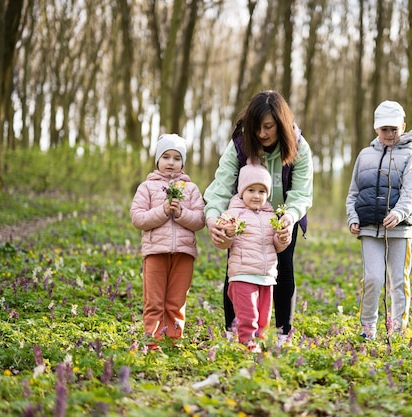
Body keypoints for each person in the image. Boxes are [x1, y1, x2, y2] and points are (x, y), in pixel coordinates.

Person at [204, 90, 313, 346]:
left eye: (268, 127)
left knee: (283, 267)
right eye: (257, 127)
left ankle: (283, 333)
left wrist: (289, 217)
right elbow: (221, 186)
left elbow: (301, 192)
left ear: (281, 125)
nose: (262, 134)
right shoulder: (241, 145)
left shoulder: (299, 147)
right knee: (238, 266)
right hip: (244, 214)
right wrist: (213, 218)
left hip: (280, 217)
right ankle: (233, 330)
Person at [345, 100, 412, 340]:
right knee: (373, 278)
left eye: (394, 129)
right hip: (368, 229)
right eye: (384, 129)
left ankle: (398, 331)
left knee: (398, 280)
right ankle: (368, 329)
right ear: (376, 128)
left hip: (400, 229)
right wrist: (353, 217)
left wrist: (398, 213)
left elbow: (411, 193)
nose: (389, 134)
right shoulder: (364, 155)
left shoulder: (410, 155)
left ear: (403, 126)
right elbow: (353, 193)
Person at [130, 133, 206, 352]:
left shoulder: (191, 189)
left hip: (184, 254)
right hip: (155, 252)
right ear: (157, 161)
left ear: (182, 163)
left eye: (176, 158)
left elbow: (200, 220)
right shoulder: (147, 187)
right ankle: (151, 344)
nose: (171, 162)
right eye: (166, 157)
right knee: (154, 302)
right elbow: (138, 218)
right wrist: (162, 211)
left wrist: (181, 213)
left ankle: (173, 343)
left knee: (176, 302)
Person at [213, 163, 291, 352]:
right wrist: (229, 233)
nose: (257, 195)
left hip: (266, 276)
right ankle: (247, 345)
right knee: (248, 316)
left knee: (263, 317)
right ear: (241, 191)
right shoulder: (232, 214)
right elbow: (222, 243)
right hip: (242, 274)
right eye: (251, 190)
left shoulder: (271, 215)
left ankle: (259, 343)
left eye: (262, 191)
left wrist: (282, 238)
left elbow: (277, 246)